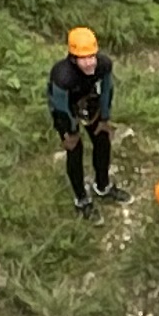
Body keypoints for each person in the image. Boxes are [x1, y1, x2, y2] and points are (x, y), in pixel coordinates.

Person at [48, 28, 116, 210]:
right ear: (73, 59)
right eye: (83, 58)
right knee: (75, 151)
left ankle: (103, 185)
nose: (89, 63)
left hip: (87, 100)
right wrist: (70, 132)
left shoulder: (103, 65)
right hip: (66, 109)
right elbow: (60, 108)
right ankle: (81, 199)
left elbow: (107, 89)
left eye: (92, 57)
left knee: (102, 140)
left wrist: (104, 118)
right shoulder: (62, 76)